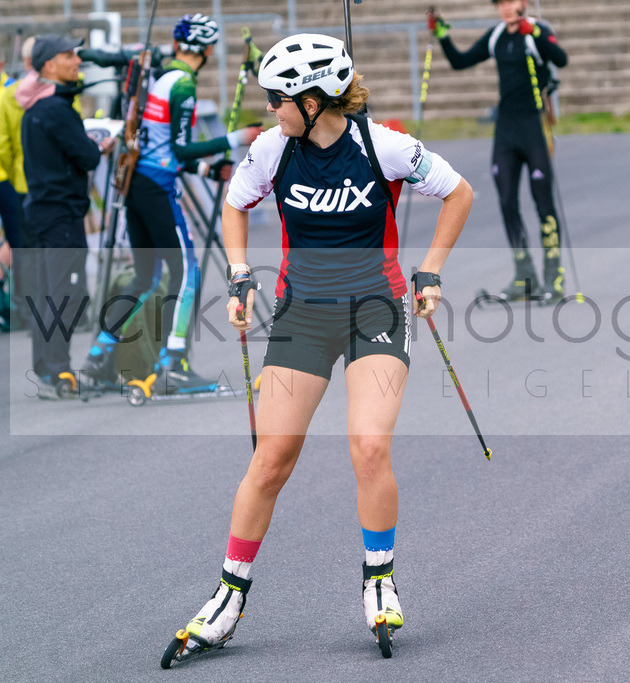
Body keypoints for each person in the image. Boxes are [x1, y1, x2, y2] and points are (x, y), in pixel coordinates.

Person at [171, 33, 473, 655]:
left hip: (376, 310)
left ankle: (380, 579)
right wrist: (240, 274)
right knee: (271, 458)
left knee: (368, 447)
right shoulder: (272, 149)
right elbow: (235, 206)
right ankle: (229, 596)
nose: (270, 108)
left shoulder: (383, 146)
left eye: (279, 97)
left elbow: (458, 192)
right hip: (303, 314)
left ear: (316, 99)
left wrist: (432, 269)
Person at [80, 14, 262, 392]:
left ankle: (99, 356)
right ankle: (173, 365)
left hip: (136, 183)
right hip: (156, 188)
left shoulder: (162, 77)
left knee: (145, 278)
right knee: (188, 274)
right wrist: (235, 138)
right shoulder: (182, 84)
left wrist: (211, 172)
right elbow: (178, 148)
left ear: (178, 44)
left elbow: (165, 149)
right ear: (209, 50)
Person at [430, 0, 567, 301]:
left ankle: (554, 277)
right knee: (507, 200)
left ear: (524, 3)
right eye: (501, 3)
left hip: (534, 126)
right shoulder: (496, 36)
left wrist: (536, 33)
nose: (506, 7)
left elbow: (561, 58)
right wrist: (442, 35)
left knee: (543, 201)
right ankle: (524, 275)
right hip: (506, 129)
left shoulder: (537, 31)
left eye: (511, 1)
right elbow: (460, 61)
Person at [18, 34, 112, 397]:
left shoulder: (36, 106)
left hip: (42, 211)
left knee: (48, 294)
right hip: (59, 215)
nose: (77, 60)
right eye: (69, 55)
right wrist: (99, 144)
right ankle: (58, 372)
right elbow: (87, 158)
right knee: (67, 296)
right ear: (48, 66)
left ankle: (48, 368)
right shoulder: (56, 109)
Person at [0, 36, 38, 331]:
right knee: (22, 246)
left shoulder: (11, 93)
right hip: (14, 181)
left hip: (11, 178)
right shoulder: (11, 91)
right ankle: (24, 311)